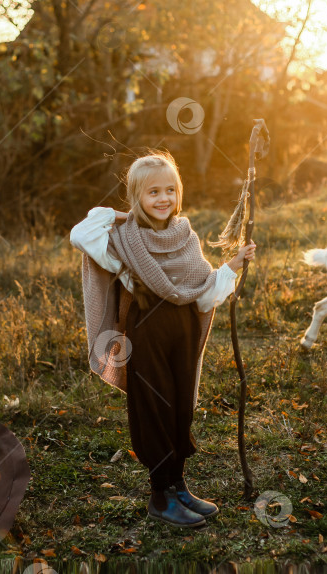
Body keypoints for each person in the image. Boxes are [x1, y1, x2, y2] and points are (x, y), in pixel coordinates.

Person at [70, 152, 256, 528]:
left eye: (170, 189)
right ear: (135, 196)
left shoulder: (186, 236)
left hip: (183, 331)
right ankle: (159, 496)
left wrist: (231, 267)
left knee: (181, 406)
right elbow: (81, 234)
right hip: (146, 335)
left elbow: (202, 293)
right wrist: (121, 217)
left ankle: (179, 485)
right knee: (154, 408)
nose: (163, 198)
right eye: (152, 191)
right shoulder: (122, 241)